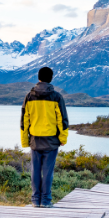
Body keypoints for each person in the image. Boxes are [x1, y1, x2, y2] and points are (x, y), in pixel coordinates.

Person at [20, 66, 68, 208]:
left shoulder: (29, 96)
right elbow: (62, 120)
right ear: (51, 78)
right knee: (48, 171)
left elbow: (24, 121)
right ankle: (46, 201)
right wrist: (63, 138)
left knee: (35, 170)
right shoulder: (56, 97)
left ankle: (35, 200)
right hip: (52, 140)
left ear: (38, 78)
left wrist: (24, 140)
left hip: (35, 139)